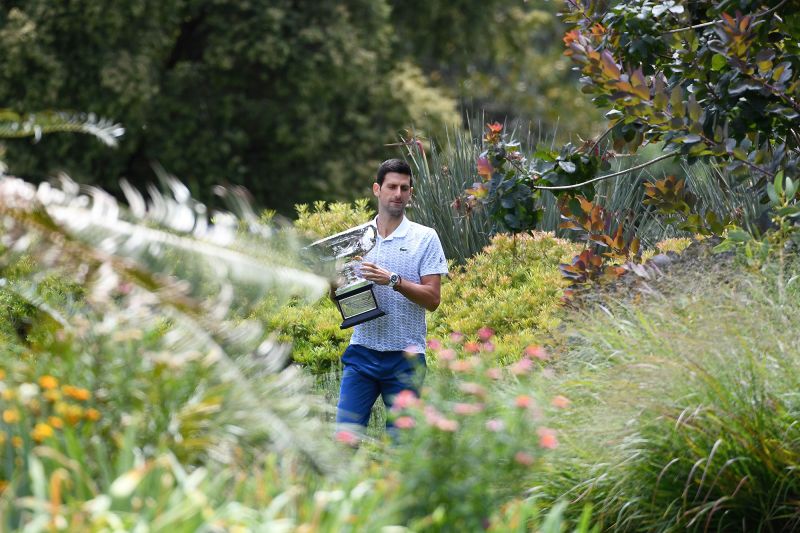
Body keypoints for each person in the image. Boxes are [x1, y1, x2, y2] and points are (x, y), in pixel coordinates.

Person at [334, 158, 448, 438]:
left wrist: (394, 281)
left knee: (401, 448)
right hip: (362, 352)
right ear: (377, 189)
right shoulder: (355, 241)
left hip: (406, 357)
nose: (398, 194)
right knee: (344, 440)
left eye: (404, 188)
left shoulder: (425, 238)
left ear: (410, 193)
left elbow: (433, 300)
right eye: (392, 187)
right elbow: (343, 301)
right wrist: (333, 285)